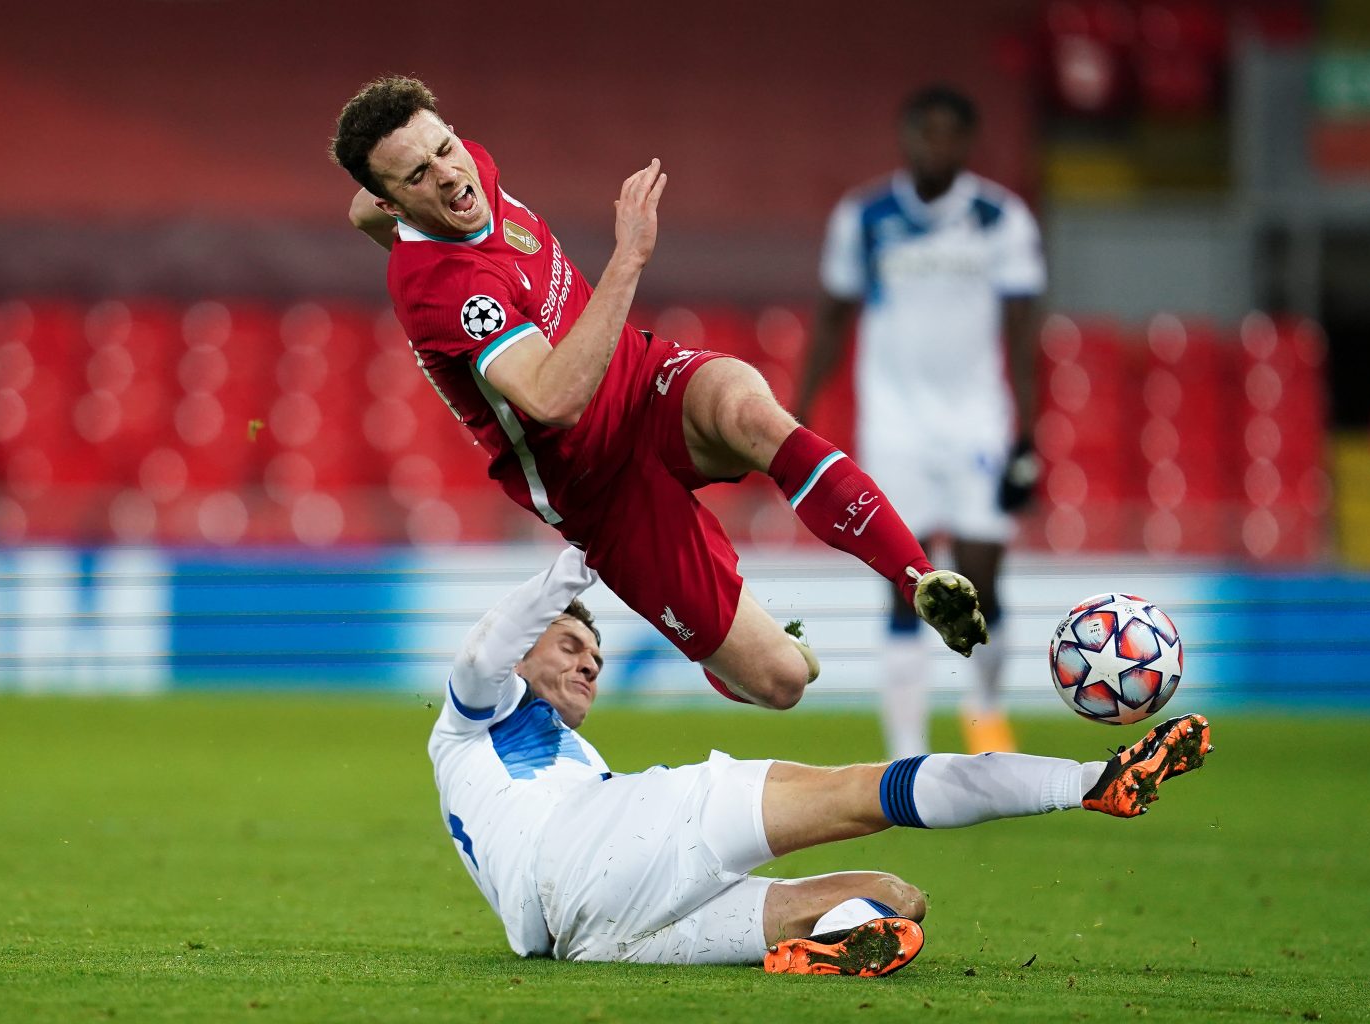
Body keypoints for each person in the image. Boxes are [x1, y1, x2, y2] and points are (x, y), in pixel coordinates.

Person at [330, 76, 989, 713]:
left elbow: (369, 202)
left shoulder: (460, 169)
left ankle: (918, 577)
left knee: (747, 409)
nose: (447, 175)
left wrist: (406, 183)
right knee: (784, 682)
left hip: (642, 378)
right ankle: (728, 662)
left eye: (442, 147)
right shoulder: (448, 293)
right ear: (393, 202)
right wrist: (630, 258)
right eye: (416, 176)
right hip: (597, 484)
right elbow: (555, 401)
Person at [428, 546, 1212, 973]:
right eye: (570, 644)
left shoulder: (549, 755)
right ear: (524, 649)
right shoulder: (474, 714)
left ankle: (825, 948)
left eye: (595, 651)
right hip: (603, 844)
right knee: (858, 792)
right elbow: (486, 646)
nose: (589, 663)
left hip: (591, 936)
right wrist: (589, 546)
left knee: (895, 898)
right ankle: (1088, 782)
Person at [796, 85, 1047, 757]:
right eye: (923, 132)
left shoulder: (1000, 218)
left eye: (948, 134)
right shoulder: (865, 216)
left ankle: (985, 709)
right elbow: (831, 314)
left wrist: (1028, 431)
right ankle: (907, 751)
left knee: (981, 577)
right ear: (906, 138)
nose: (934, 145)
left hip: (977, 424)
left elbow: (1024, 331)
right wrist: (798, 406)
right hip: (896, 425)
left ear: (967, 143)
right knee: (906, 584)